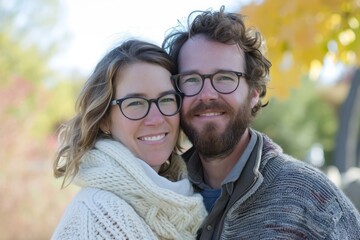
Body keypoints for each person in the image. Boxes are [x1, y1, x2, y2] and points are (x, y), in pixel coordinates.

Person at [162, 6, 360, 239]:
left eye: (225, 78)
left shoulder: (314, 200)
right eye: (191, 79)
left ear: (254, 91)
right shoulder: (158, 191)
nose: (206, 94)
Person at [51, 39, 207, 240]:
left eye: (167, 99)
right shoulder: (100, 217)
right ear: (105, 120)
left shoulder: (187, 200)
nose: (156, 118)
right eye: (135, 103)